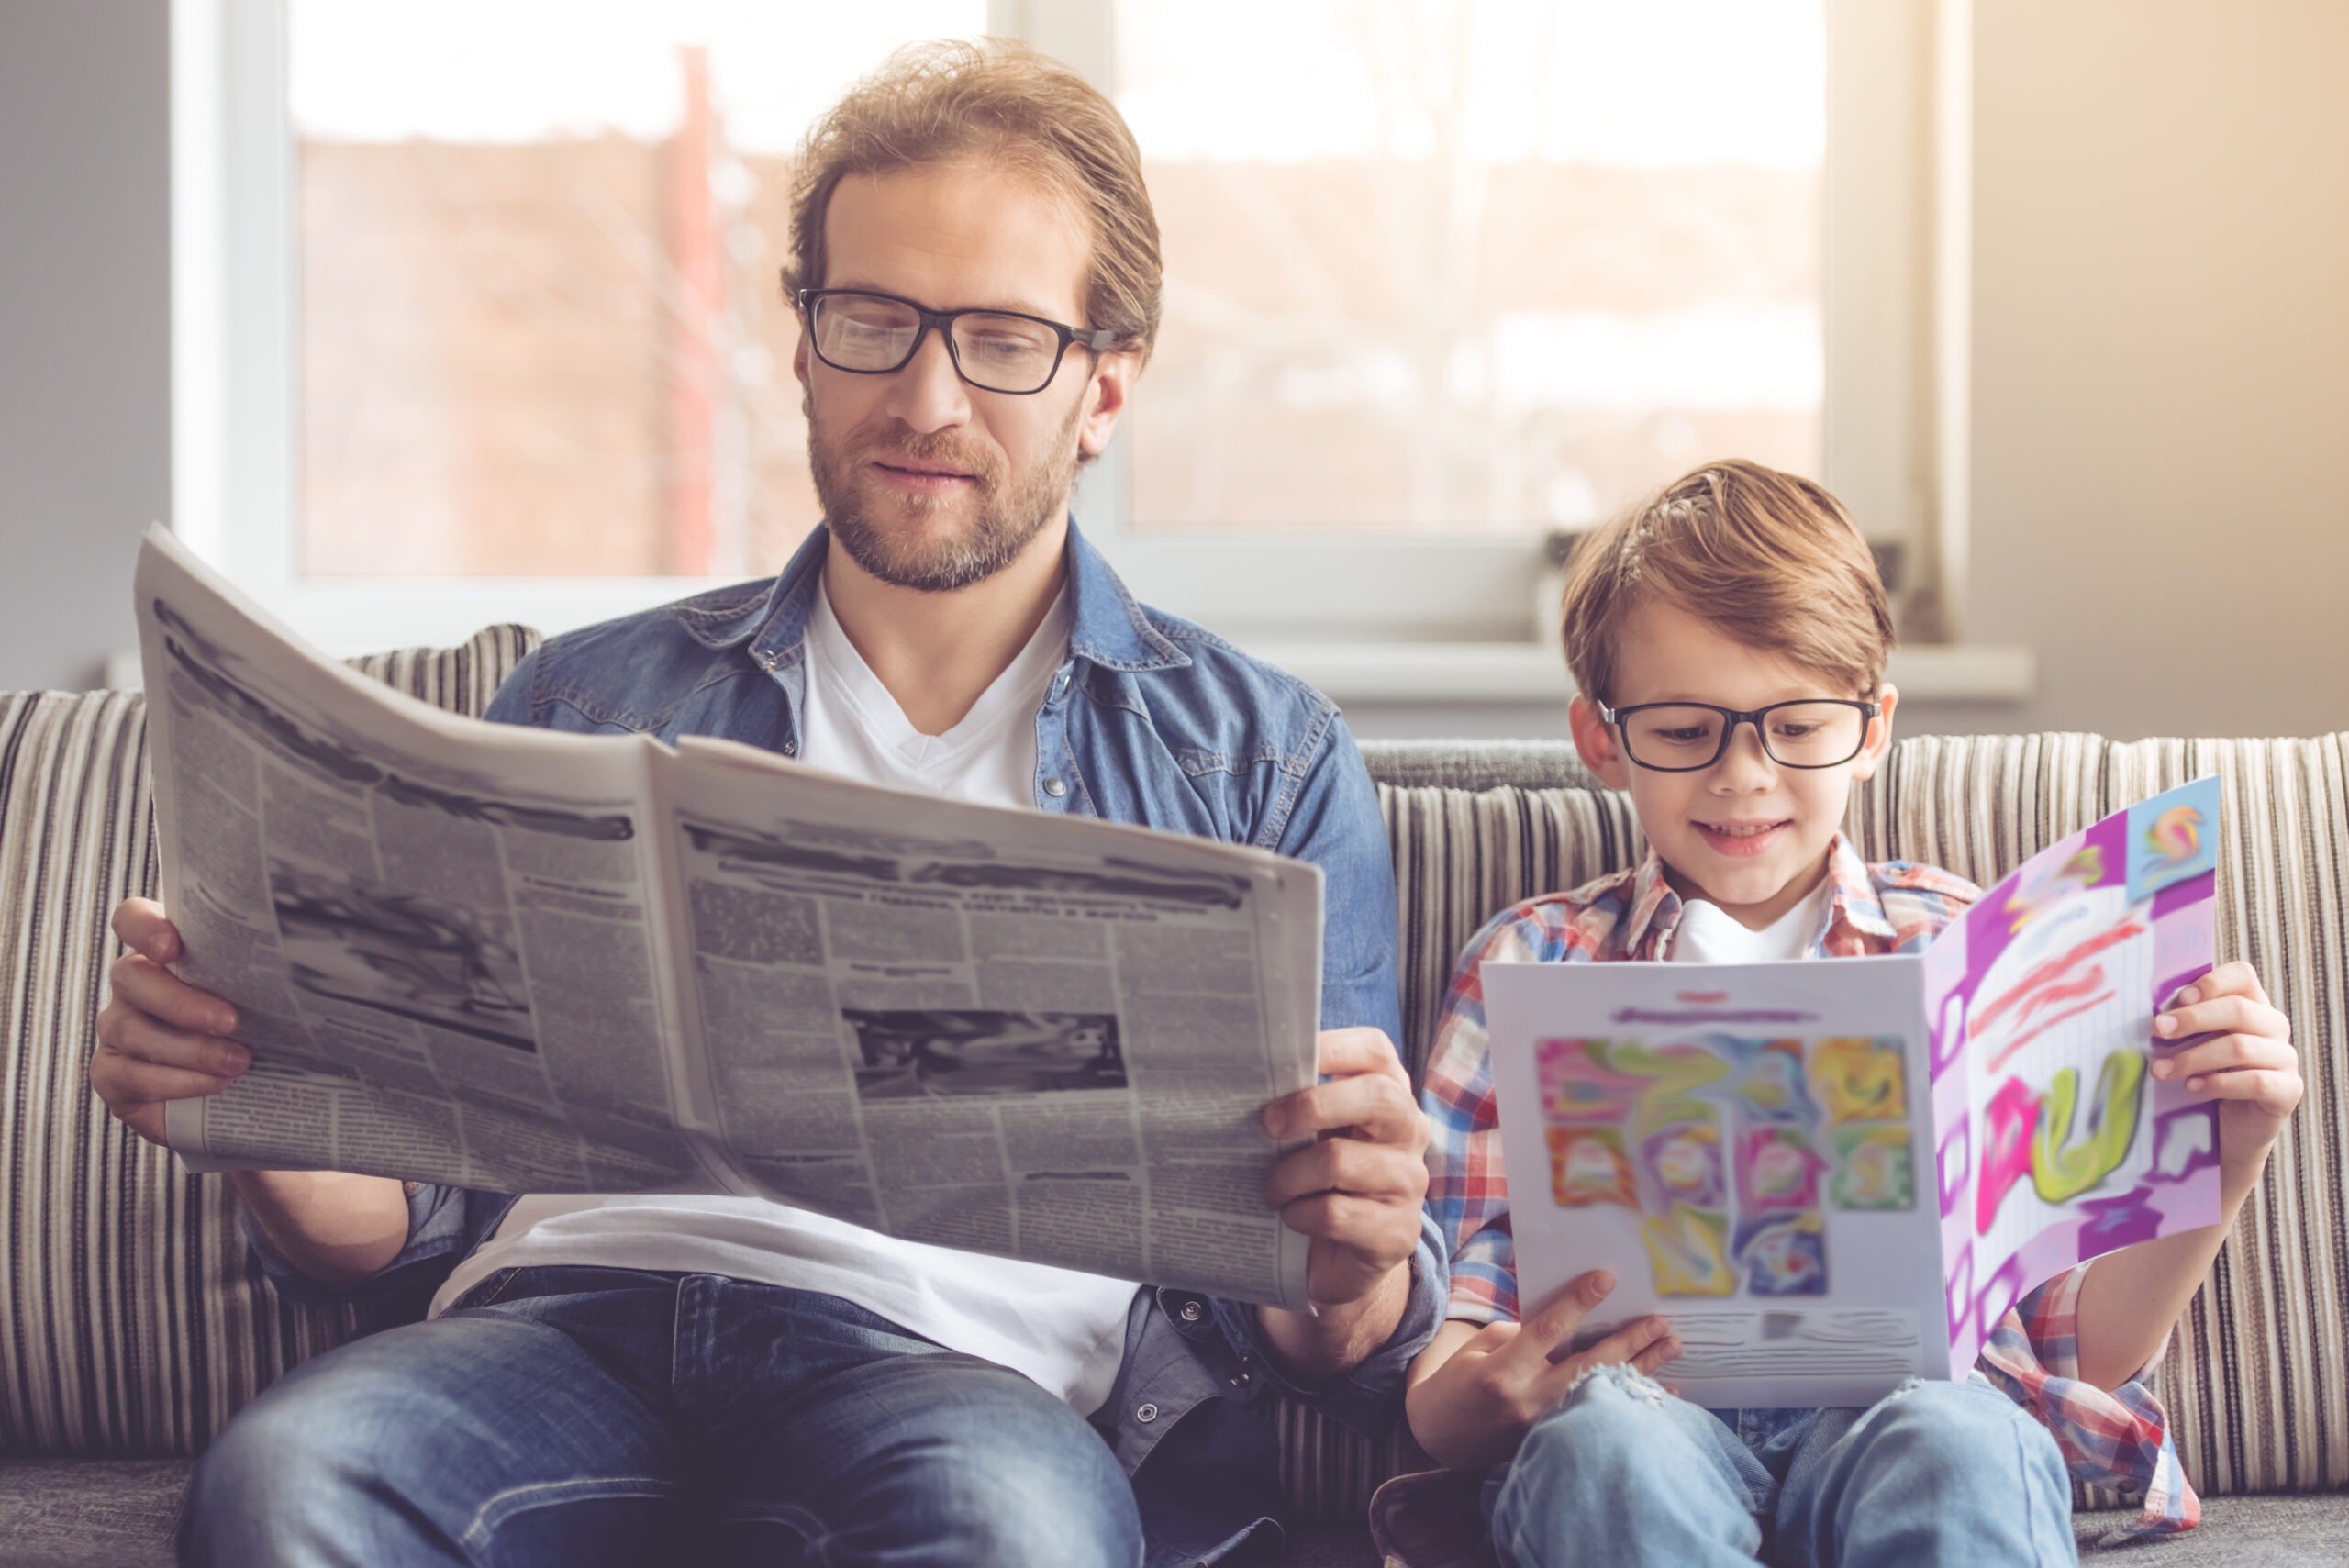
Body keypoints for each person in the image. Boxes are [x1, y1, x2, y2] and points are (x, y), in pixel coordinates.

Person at [91, 40, 1439, 1568]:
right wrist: (259, 1097)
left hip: (959, 1369)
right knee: (283, 1480)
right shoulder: (585, 700)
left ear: (1103, 386)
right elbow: (391, 1218)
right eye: (872, 319)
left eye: (1001, 337)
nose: (926, 395)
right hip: (560, 1332)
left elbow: (1329, 1329)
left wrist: (1351, 1253)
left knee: (1014, 1531)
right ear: (802, 343)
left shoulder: (1257, 759)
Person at [1395, 461, 2301, 1568]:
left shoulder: (1963, 947)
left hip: (1912, 1408)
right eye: (1684, 729)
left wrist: (2231, 1145)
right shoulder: (1527, 959)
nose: (1742, 775)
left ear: (1871, 729)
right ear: (1601, 739)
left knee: (1963, 1433)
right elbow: (1443, 1362)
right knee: (1605, 1450)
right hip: (1637, 1412)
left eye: (1797, 725)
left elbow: (2087, 1348)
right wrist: (1472, 1402)